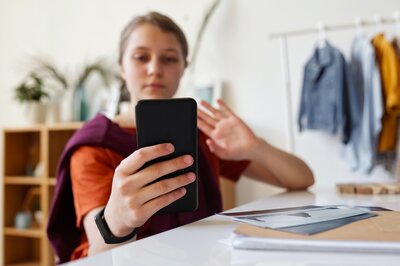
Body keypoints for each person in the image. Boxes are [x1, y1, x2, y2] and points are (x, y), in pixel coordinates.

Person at [47, 11, 314, 263]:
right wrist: (116, 220)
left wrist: (256, 148)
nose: (155, 69)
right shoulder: (95, 146)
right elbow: (99, 250)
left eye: (169, 58)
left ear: (183, 67)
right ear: (121, 67)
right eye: (141, 57)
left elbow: (302, 179)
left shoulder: (204, 136)